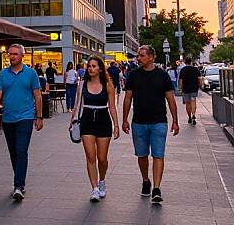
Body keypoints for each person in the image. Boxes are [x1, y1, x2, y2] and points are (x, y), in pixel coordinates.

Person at [122, 45, 179, 204]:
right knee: (141, 155)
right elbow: (127, 99)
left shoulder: (163, 76)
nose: (138, 58)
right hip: (138, 122)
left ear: (151, 57)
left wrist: (175, 120)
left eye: (141, 55)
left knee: (158, 155)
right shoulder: (133, 75)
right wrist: (124, 119)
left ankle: (156, 188)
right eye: (138, 55)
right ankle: (146, 180)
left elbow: (171, 99)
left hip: (159, 122)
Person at [0, 44, 43, 201]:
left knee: (21, 150)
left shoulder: (31, 73)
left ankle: (18, 185)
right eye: (10, 54)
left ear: (22, 56)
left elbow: (38, 95)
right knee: (13, 152)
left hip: (26, 117)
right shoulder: (2, 74)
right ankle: (19, 180)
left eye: (15, 54)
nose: (12, 56)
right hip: (8, 118)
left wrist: (39, 116)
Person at [70, 56, 119, 201]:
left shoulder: (108, 84)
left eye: (94, 66)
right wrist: (73, 120)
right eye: (89, 66)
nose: (91, 69)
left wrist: (116, 125)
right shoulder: (82, 84)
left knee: (102, 158)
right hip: (87, 120)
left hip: (103, 120)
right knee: (90, 156)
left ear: (100, 69)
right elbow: (77, 104)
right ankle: (94, 188)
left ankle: (102, 181)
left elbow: (112, 107)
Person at [178, 57, 202, 125]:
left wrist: (180, 88)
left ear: (185, 62)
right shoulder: (195, 69)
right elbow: (199, 79)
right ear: (191, 62)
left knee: (188, 103)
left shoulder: (183, 70)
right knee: (193, 101)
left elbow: (181, 80)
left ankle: (189, 117)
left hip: (186, 89)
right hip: (194, 89)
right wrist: (200, 86)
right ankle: (193, 114)